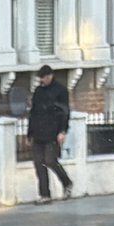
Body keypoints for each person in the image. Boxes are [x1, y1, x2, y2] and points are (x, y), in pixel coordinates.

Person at [25, 65, 73, 200]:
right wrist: (29, 134)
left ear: (50, 76)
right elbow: (33, 113)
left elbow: (65, 112)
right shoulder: (38, 91)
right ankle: (45, 194)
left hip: (53, 131)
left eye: (43, 77)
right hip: (38, 132)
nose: (41, 80)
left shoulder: (61, 91)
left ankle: (67, 182)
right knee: (38, 163)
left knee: (50, 160)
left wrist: (62, 131)